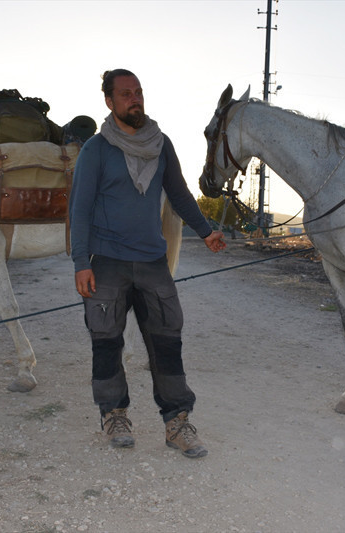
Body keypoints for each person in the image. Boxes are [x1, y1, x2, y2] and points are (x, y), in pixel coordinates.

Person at [69, 69, 226, 459]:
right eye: (125, 94)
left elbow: (179, 193)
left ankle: (177, 423)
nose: (134, 99)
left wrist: (206, 231)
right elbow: (81, 208)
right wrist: (80, 263)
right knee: (106, 342)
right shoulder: (96, 149)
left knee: (167, 343)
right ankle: (114, 414)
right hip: (106, 262)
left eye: (137, 92)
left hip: (152, 261)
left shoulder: (162, 144)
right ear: (109, 101)